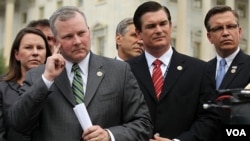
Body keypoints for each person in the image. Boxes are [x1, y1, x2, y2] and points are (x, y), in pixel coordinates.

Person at [7, 6, 152, 141]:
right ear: (56, 41)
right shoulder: (38, 76)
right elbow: (18, 123)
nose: (77, 41)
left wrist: (109, 135)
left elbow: (143, 124)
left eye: (81, 33)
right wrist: (47, 79)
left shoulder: (120, 71)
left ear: (89, 31)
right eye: (68, 37)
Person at [127, 1, 220, 141]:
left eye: (163, 24)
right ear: (139, 33)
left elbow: (209, 119)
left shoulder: (200, 70)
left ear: (170, 26)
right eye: (151, 26)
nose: (159, 30)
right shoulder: (124, 71)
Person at [204, 5, 250, 140]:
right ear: (209, 37)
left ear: (239, 32)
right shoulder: (202, 70)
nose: (225, 33)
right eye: (218, 28)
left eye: (230, 26)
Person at [0, 27, 51, 141]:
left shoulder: (55, 86)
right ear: (17, 54)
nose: (35, 53)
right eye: (28, 47)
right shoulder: (2, 88)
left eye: (40, 48)